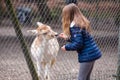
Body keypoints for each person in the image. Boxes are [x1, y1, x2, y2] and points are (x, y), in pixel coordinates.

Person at [59, 3, 102, 80]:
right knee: (86, 77)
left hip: (87, 55)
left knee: (81, 78)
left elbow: (78, 44)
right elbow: (80, 39)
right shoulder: (80, 23)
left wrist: (66, 47)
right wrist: (67, 38)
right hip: (92, 52)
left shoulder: (75, 26)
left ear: (68, 15)